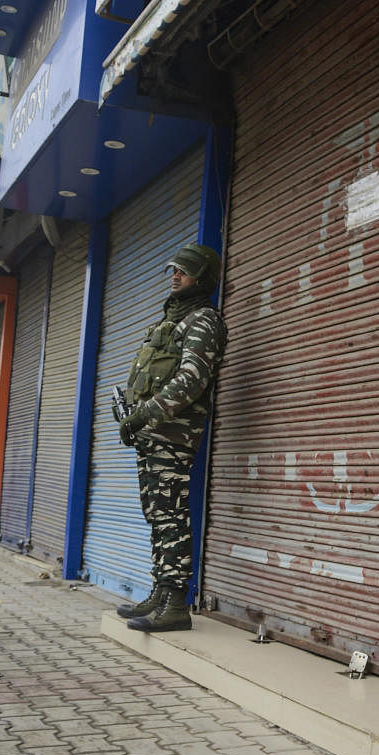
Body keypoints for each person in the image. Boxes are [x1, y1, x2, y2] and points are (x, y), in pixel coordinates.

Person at [114, 242, 227, 633]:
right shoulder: (171, 320)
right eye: (173, 269)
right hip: (152, 432)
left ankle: (176, 604)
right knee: (157, 514)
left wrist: (145, 413)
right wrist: (132, 414)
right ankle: (162, 591)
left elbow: (192, 380)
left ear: (203, 277)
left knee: (171, 514)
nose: (175, 275)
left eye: (184, 270)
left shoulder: (203, 320)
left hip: (173, 434)